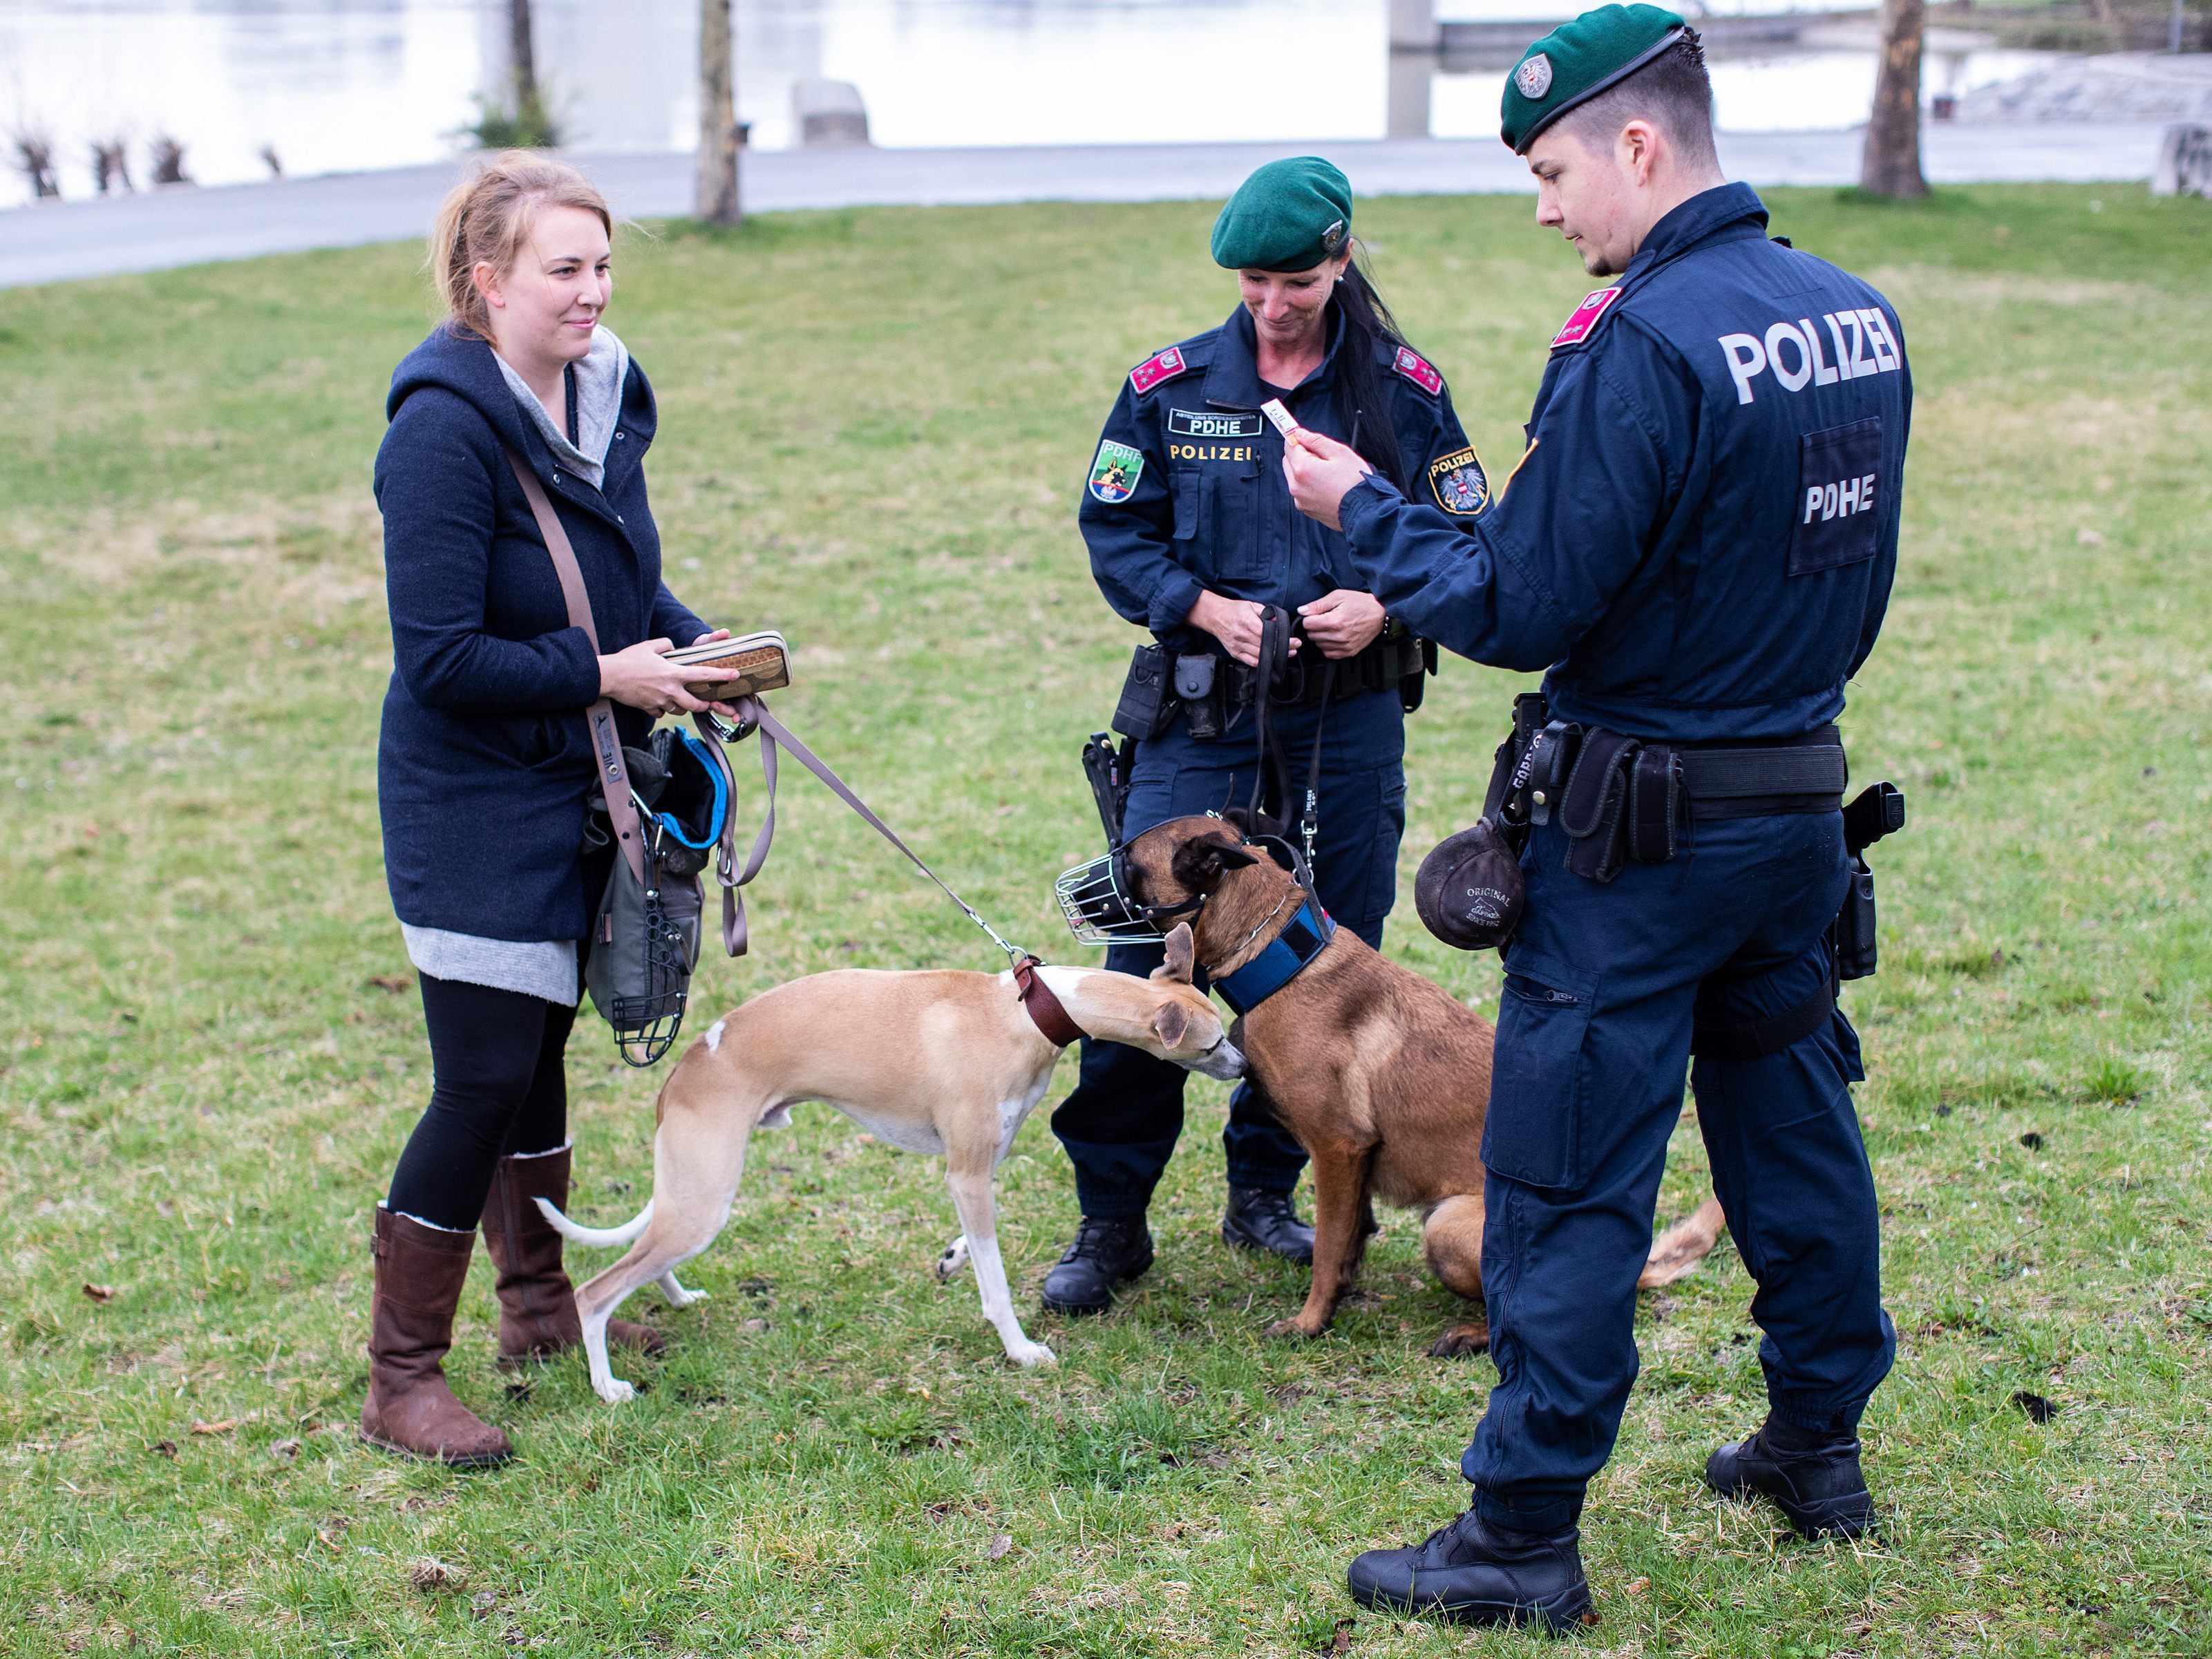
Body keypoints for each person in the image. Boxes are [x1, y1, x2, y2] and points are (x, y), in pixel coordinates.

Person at [1280, 7, 1910, 1629]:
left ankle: (1517, 1537)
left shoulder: (1636, 341)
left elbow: (1519, 598)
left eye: (1554, 169)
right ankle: (1813, 1445)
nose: (1545, 206)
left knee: (1559, 1181)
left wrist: (1359, 508)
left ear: (1639, 144)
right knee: (1790, 1129)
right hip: (1790, 807)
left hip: (1637, 841)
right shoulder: (1852, 315)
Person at [1044, 157, 1493, 1315]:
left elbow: (1472, 542)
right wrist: (1201, 605)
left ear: (1340, 260)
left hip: (1346, 727)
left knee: (1320, 977)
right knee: (1144, 968)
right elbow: (1115, 529)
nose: (1274, 304)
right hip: (1203, 727)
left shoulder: (1401, 390)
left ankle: (1265, 1194)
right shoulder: (1170, 385)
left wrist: (1384, 605)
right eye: (1252, 284)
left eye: (1295, 280)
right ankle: (1111, 1222)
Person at [364, 153, 746, 1466]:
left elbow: (617, 576)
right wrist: (607, 674)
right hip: (470, 801)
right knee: (476, 1081)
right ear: (489, 283)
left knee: (534, 1059)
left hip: (577, 782)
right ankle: (401, 1377)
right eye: (562, 271)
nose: (592, 294)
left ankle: (538, 1309)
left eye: (601, 268)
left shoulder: (600, 392)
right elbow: (441, 658)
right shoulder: (438, 431)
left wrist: (693, 658)